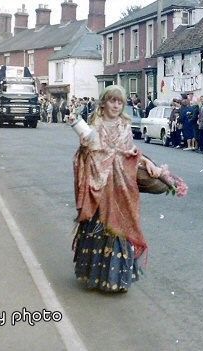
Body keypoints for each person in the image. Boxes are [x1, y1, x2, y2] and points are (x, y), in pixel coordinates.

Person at [70, 85, 160, 293]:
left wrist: (147, 162)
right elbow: (87, 155)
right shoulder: (94, 126)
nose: (116, 105)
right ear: (103, 103)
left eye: (120, 102)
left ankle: (116, 280)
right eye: (112, 101)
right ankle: (94, 277)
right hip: (100, 186)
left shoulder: (124, 127)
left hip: (120, 187)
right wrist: (84, 147)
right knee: (99, 228)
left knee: (119, 229)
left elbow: (130, 152)